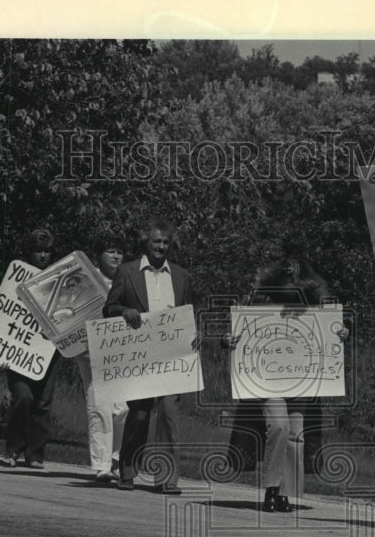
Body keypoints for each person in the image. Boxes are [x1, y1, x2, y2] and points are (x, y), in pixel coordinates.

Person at [226, 247, 349, 512]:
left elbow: (332, 331)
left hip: (301, 379)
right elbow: (240, 331)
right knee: (279, 426)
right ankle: (271, 489)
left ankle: (285, 493)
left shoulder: (317, 307)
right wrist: (229, 341)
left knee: (296, 434)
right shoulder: (261, 303)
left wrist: (340, 334)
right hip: (268, 378)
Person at [103, 218, 196, 494]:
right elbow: (109, 308)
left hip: (171, 356)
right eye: (156, 241)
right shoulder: (127, 271)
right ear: (147, 242)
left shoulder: (181, 276)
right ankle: (127, 471)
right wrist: (124, 312)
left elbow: (188, 312)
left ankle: (167, 479)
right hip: (139, 354)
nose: (161, 247)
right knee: (140, 414)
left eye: (166, 243)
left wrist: (196, 332)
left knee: (169, 414)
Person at [3, 228, 61, 469]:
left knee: (43, 402)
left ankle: (35, 454)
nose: (43, 256)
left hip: (48, 349)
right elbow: (3, 314)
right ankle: (13, 449)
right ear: (29, 253)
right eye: (38, 251)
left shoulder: (59, 280)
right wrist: (0, 350)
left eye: (47, 251)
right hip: (19, 347)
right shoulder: (15, 278)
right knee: (23, 397)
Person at [75, 231, 129, 482]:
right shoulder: (88, 279)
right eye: (111, 251)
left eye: (119, 251)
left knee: (121, 409)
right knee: (99, 405)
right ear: (99, 254)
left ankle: (116, 458)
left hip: (120, 351)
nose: (116, 256)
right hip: (90, 350)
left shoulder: (127, 279)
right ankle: (101, 465)